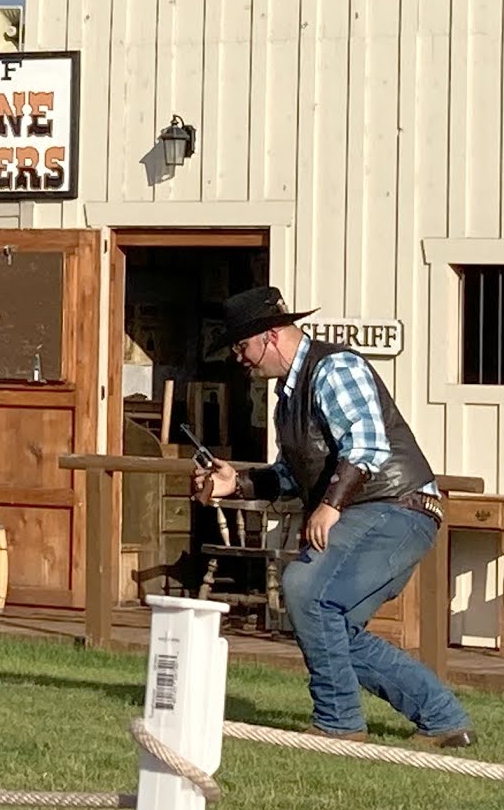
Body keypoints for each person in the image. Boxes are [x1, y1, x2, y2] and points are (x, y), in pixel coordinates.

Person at [193, 285, 474, 748]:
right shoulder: (288, 397)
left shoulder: (335, 367)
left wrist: (329, 505)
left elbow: (366, 444)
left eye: (241, 346)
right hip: (376, 509)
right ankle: (444, 719)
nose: (239, 359)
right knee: (333, 627)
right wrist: (235, 485)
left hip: (396, 506)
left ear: (270, 336)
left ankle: (338, 724)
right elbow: (290, 476)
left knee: (305, 590)